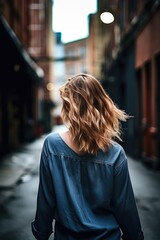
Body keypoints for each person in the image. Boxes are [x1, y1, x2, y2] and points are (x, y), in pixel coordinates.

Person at [31, 73, 144, 240]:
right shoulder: (115, 153)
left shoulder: (52, 146)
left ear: (69, 107)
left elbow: (46, 200)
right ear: (101, 104)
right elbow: (124, 208)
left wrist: (41, 233)